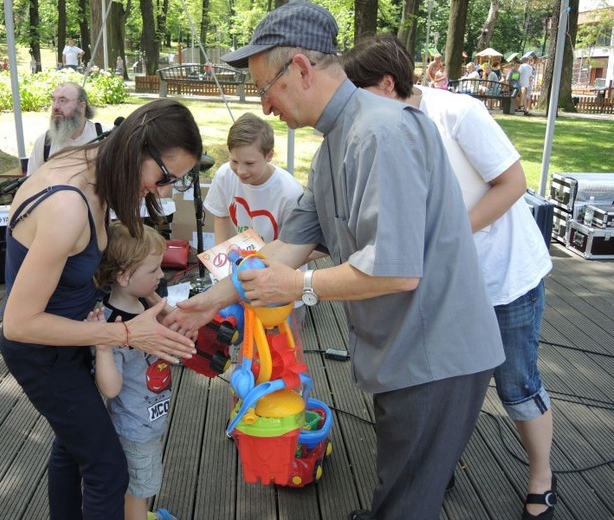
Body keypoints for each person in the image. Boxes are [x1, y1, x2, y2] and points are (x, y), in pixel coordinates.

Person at [167, 3, 505, 519]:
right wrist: (205, 305)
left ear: (300, 68)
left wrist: (297, 286)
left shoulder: (381, 132)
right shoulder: (333, 148)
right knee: (399, 475)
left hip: (435, 353)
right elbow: (283, 248)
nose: (265, 105)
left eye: (266, 88)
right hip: (398, 350)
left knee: (411, 496)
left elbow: (394, 270)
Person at [343, 33, 556, 520]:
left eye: (358, 92)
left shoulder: (458, 113)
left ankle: (541, 474)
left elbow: (514, 183)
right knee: (442, 381)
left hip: (503, 275)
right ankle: (435, 471)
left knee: (516, 384)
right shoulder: (379, 129)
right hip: (444, 283)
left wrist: (450, 234)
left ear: (388, 83)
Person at [0, 98, 202, 520]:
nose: (164, 193)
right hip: (42, 352)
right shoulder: (67, 205)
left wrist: (152, 309)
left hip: (76, 337)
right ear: (138, 149)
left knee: (73, 447)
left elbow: (88, 276)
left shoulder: (98, 169)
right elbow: (17, 324)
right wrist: (124, 334)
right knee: (108, 468)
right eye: (166, 178)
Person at [92, 222, 178, 520]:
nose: (161, 275)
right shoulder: (113, 325)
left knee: (140, 485)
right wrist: (103, 346)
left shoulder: (142, 303)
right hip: (133, 428)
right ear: (124, 276)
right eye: (153, 270)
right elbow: (110, 388)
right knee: (138, 492)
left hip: (148, 420)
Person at [203, 111, 308, 326]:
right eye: (234, 160)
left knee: (282, 351)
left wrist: (258, 267)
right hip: (243, 276)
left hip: (282, 287)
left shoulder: (290, 193)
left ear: (270, 155)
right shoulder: (225, 175)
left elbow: (302, 247)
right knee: (243, 343)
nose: (240, 170)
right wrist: (221, 264)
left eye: (250, 163)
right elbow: (221, 216)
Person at [27, 82, 104, 175]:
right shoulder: (44, 143)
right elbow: (31, 183)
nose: (55, 107)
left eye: (62, 100)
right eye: (53, 100)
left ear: (82, 106)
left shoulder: (103, 137)